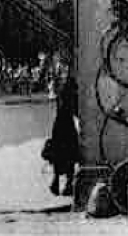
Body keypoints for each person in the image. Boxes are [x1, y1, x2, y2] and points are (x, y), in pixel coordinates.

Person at [45, 62, 80, 196]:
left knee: (59, 153)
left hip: (60, 123)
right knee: (69, 153)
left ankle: (58, 181)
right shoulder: (69, 86)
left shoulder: (60, 85)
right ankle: (66, 183)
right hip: (66, 123)